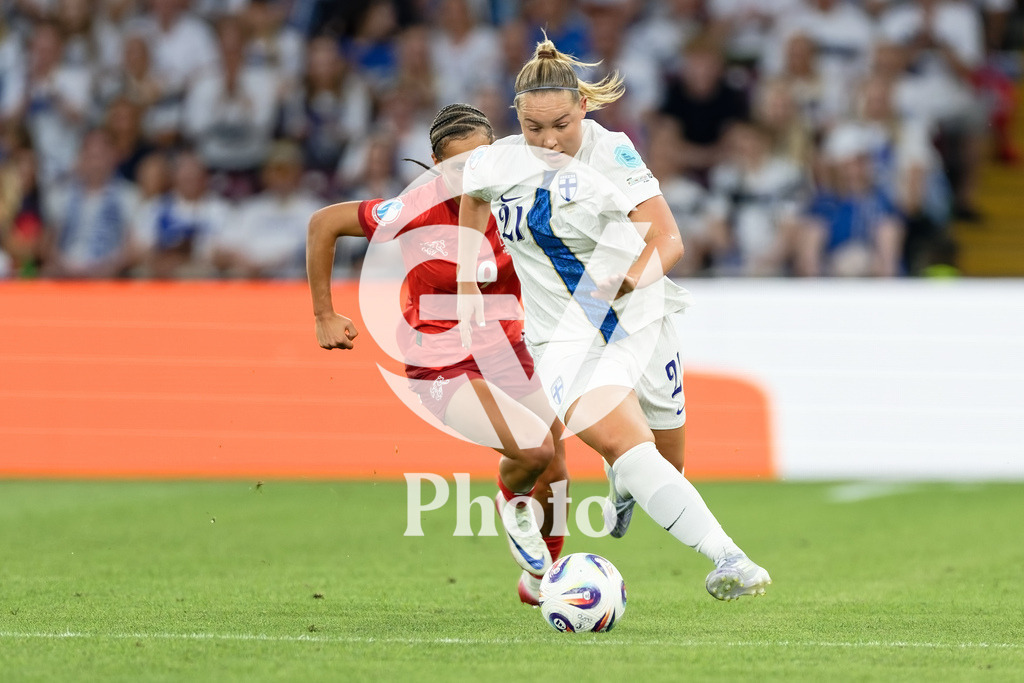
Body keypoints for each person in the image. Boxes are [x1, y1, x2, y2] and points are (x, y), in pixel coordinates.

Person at [457, 39, 771, 601]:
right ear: (516, 117)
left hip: (642, 321)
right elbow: (474, 200)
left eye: (560, 124)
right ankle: (731, 558)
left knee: (667, 462)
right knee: (631, 447)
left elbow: (667, 237)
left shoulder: (613, 154)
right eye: (532, 128)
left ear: (582, 107)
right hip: (563, 339)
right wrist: (466, 277)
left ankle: (623, 486)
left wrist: (630, 277)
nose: (548, 140)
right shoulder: (495, 161)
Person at [306, 104, 569, 606]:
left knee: (557, 466)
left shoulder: (521, 202)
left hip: (509, 351)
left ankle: (542, 581)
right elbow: (323, 223)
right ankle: (510, 502)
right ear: (434, 163)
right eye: (456, 166)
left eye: (482, 160)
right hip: (440, 364)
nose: (471, 174)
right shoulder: (415, 208)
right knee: (534, 451)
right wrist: (324, 314)